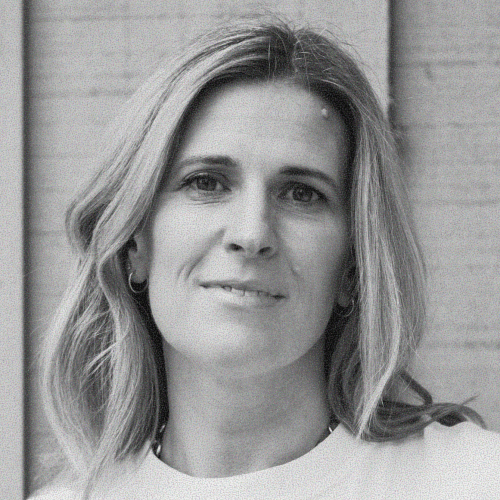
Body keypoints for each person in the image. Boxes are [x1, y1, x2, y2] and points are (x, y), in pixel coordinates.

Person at [31, 16, 500, 500]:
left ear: (353, 267)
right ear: (135, 244)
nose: (252, 234)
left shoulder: (475, 481)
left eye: (301, 193)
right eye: (206, 183)